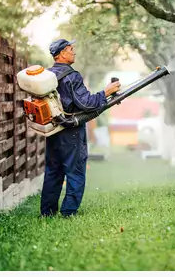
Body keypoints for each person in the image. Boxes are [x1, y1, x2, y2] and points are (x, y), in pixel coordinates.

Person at [40, 38, 120, 218]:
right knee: (75, 171)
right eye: (70, 49)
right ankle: (68, 213)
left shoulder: (48, 76)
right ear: (61, 54)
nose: (74, 51)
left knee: (53, 171)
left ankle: (47, 212)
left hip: (53, 130)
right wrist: (106, 92)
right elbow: (87, 104)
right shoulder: (71, 75)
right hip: (71, 132)